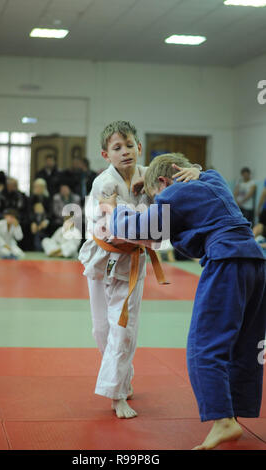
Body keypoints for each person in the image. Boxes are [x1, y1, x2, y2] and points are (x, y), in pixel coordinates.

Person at [103, 153, 266, 450]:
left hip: (226, 261)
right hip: (257, 264)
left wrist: (115, 210)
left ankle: (223, 421)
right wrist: (195, 170)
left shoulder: (173, 194)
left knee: (204, 345)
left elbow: (141, 228)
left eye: (155, 196)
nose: (156, 202)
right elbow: (205, 174)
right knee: (245, 343)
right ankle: (235, 411)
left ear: (165, 182)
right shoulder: (214, 180)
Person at [78, 121, 201, 420]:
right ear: (106, 155)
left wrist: (196, 170)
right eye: (117, 148)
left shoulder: (151, 174)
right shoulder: (103, 184)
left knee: (123, 331)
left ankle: (117, 395)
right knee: (102, 331)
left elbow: (185, 173)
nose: (125, 152)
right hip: (101, 258)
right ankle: (123, 375)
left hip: (132, 262)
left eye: (130, 145)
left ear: (139, 147)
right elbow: (111, 225)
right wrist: (131, 209)